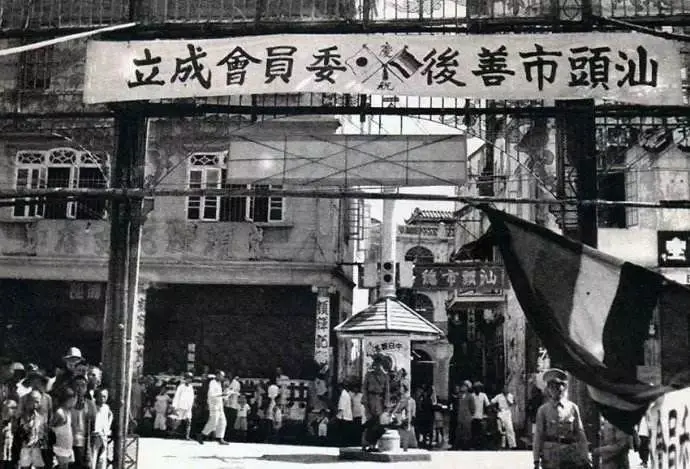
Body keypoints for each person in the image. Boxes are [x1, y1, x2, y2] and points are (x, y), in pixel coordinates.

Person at [533, 369, 590, 469]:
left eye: (559, 386)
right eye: (552, 387)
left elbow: (580, 434)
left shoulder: (572, 408)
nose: (556, 390)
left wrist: (585, 456)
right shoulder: (543, 410)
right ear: (548, 389)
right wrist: (536, 460)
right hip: (550, 457)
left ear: (564, 387)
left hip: (569, 456)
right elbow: (538, 435)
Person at [361, 355, 390, 452]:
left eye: (378, 363)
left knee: (378, 424)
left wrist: (386, 405)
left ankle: (374, 444)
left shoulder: (385, 376)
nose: (377, 366)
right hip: (370, 399)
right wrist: (365, 402)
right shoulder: (369, 375)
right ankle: (366, 443)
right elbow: (364, 389)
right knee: (369, 422)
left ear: (381, 364)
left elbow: (387, 391)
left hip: (380, 401)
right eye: (375, 363)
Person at [71, 375, 96, 469]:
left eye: (82, 385)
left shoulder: (90, 404)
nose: (79, 388)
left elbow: (92, 426)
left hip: (84, 444)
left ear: (86, 388)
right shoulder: (67, 403)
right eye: (77, 385)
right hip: (69, 442)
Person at [18, 390, 47, 469]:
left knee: (39, 466)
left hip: (36, 447)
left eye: (38, 402)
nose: (37, 404)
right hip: (24, 448)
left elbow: (42, 433)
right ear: (28, 402)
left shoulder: (40, 417)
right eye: (35, 401)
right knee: (25, 466)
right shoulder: (21, 417)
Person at [197, 373, 228, 445]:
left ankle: (220, 438)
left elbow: (221, 395)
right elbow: (211, 394)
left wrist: (225, 396)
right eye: (222, 376)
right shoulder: (212, 383)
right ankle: (202, 435)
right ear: (218, 375)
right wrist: (222, 395)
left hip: (219, 404)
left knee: (223, 421)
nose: (223, 377)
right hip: (213, 404)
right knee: (214, 421)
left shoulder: (219, 383)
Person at [52, 387, 76, 469]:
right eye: (74, 400)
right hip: (60, 447)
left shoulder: (68, 412)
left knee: (66, 466)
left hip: (67, 447)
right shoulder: (60, 412)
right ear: (69, 399)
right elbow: (51, 427)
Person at [90, 389, 112, 469]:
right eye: (100, 396)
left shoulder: (106, 407)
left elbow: (110, 415)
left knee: (102, 458)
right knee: (93, 457)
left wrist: (108, 427)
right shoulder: (93, 406)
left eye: (104, 396)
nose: (102, 398)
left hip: (104, 435)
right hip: (95, 435)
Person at [491, 385, 517, 449]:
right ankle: (503, 445)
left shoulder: (510, 396)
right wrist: (495, 409)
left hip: (507, 412)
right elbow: (492, 402)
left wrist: (506, 397)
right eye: (504, 389)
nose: (505, 390)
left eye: (506, 388)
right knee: (501, 429)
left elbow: (510, 404)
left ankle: (512, 445)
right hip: (501, 412)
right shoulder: (498, 396)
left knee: (510, 428)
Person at [172, 372, 195, 440]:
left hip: (188, 407)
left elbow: (192, 397)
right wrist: (174, 406)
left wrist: (191, 405)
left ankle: (187, 436)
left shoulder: (191, 387)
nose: (189, 380)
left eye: (190, 378)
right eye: (188, 378)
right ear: (185, 379)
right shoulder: (181, 387)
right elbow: (177, 396)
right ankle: (173, 433)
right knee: (178, 421)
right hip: (181, 406)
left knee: (189, 421)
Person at [453, 381, 475, 450]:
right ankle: (458, 445)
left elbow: (472, 408)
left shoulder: (470, 396)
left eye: (464, 386)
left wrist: (470, 415)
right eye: (462, 386)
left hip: (467, 417)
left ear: (467, 388)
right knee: (459, 431)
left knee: (467, 432)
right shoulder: (459, 396)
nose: (462, 387)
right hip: (460, 416)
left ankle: (466, 446)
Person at [471, 381, 490, 450]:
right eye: (476, 388)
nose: (477, 389)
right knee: (473, 432)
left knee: (480, 432)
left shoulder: (483, 395)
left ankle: (480, 445)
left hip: (480, 416)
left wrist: (486, 414)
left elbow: (487, 405)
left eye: (479, 388)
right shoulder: (472, 395)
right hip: (472, 416)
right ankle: (473, 445)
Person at [0, 399, 19, 469]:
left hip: (11, 457)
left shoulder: (16, 421)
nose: (15, 410)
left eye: (16, 408)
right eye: (12, 408)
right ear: (5, 408)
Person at [224, 373, 241, 441]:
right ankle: (223, 436)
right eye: (228, 376)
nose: (229, 377)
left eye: (230, 375)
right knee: (225, 421)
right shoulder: (225, 382)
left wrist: (229, 393)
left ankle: (229, 438)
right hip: (226, 405)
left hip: (233, 405)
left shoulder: (236, 383)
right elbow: (224, 391)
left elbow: (233, 392)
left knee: (231, 422)